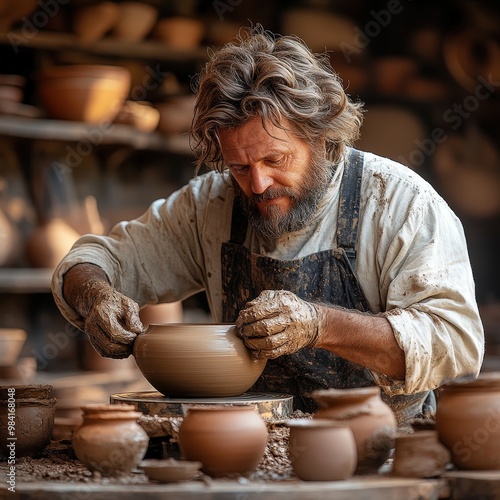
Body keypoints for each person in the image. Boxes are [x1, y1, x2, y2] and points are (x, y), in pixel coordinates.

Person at [51, 25, 484, 427]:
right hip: (247, 447)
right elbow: (95, 259)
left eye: (274, 160)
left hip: (383, 452)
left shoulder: (398, 203)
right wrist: (96, 296)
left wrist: (320, 325)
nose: (257, 184)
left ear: (321, 138)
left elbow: (457, 345)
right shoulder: (212, 204)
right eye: (239, 166)